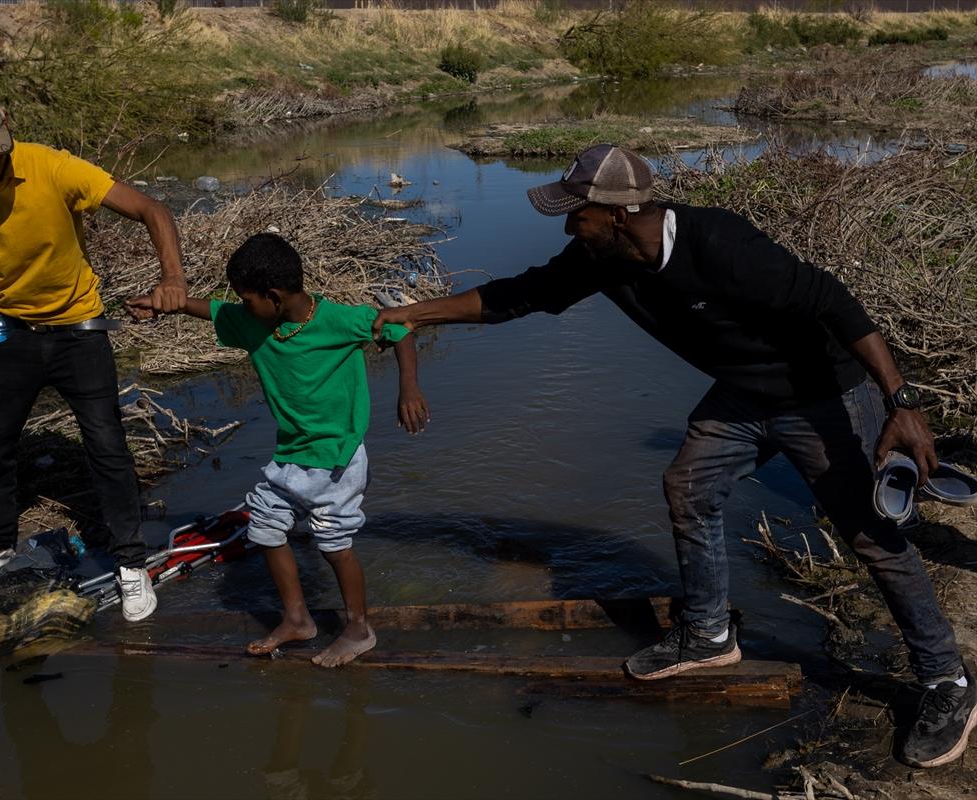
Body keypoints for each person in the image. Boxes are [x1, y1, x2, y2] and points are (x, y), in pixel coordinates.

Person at [370, 143, 974, 768]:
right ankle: (710, 634)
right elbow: (518, 295)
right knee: (688, 486)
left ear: (619, 212)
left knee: (870, 535)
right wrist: (416, 314)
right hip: (743, 393)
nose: (566, 224)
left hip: (822, 394)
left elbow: (834, 302)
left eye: (577, 213)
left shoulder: (719, 242)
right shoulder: (600, 257)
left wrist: (901, 401)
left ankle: (945, 680)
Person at [0, 80, 188, 622]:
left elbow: (153, 210)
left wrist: (172, 277)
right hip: (8, 333)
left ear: (8, 131)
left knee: (107, 448)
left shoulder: (54, 168)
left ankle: (130, 563)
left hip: (79, 332)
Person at [129, 232, 429, 666]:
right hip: (291, 454)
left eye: (247, 299)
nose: (241, 307)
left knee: (333, 545)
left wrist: (409, 389)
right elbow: (210, 310)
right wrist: (162, 304)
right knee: (265, 530)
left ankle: (359, 627)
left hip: (336, 459)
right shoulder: (256, 321)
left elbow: (398, 328)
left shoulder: (337, 321)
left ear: (273, 295)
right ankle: (297, 619)